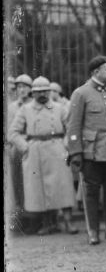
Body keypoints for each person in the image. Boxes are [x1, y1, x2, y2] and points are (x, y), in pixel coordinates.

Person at [67, 56, 106, 245]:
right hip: (92, 152)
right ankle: (93, 231)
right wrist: (76, 152)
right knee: (92, 193)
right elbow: (73, 126)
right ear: (96, 72)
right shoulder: (81, 93)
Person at [9, 77, 78, 235]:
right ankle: (48, 223)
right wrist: (25, 147)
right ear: (33, 93)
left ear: (49, 91)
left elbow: (71, 128)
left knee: (63, 186)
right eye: (38, 92)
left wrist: (67, 145)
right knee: (40, 189)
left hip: (57, 148)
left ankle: (68, 222)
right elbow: (13, 133)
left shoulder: (60, 108)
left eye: (45, 91)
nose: (42, 95)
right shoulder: (25, 109)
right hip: (35, 151)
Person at [7, 74, 33, 213]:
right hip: (17, 146)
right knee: (18, 181)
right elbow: (10, 130)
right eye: (18, 87)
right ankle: (21, 210)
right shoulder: (12, 107)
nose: (21, 90)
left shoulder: (34, 104)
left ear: (30, 88)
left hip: (32, 144)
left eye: (24, 86)